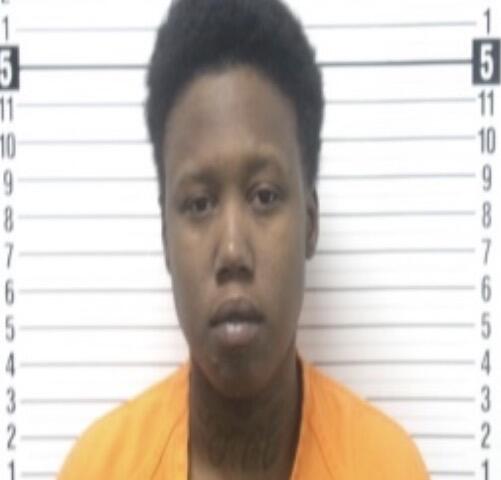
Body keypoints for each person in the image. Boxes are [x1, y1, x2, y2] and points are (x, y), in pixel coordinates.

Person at [58, 0, 429, 478]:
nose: (233, 251)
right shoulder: (99, 468)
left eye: (264, 196)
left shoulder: (386, 466)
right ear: (166, 238)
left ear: (310, 222)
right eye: (199, 203)